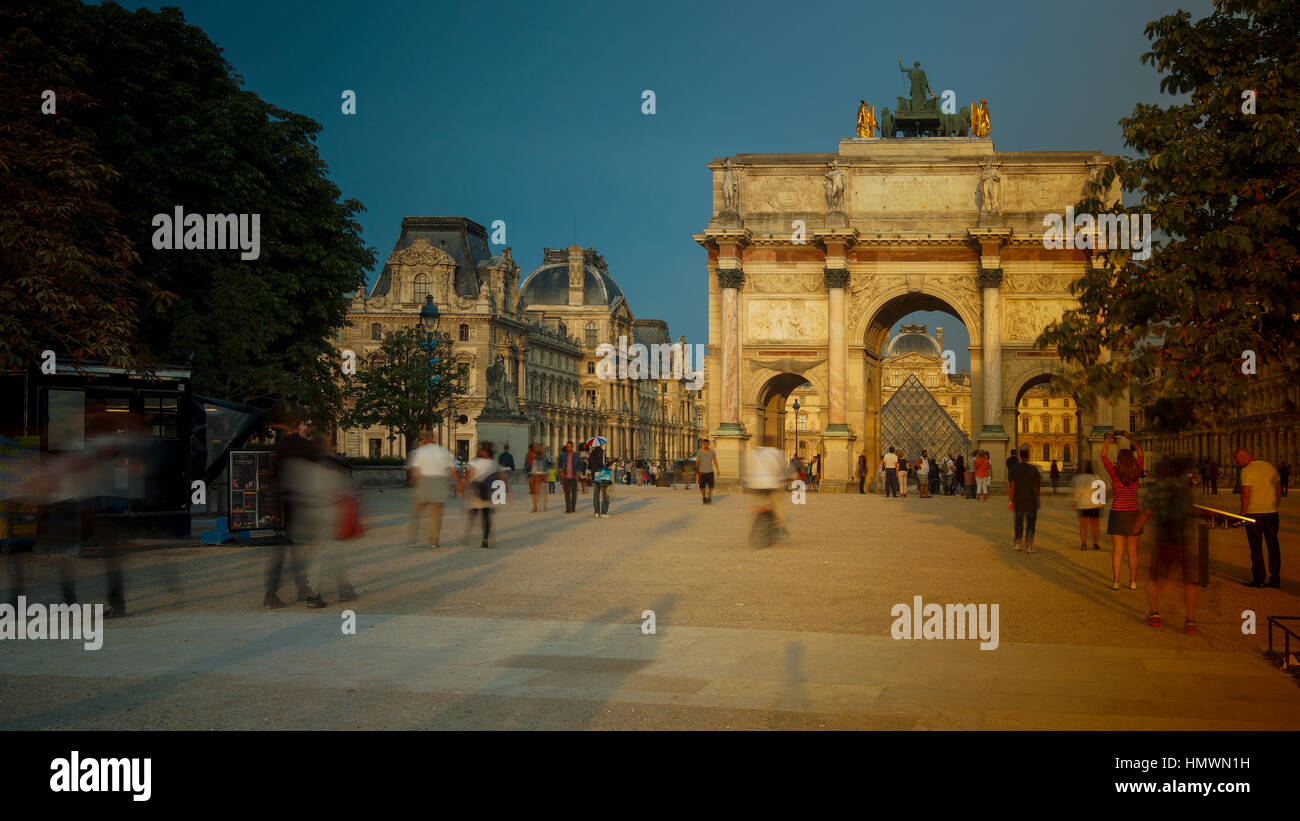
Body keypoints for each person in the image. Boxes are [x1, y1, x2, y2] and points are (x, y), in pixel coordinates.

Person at [282, 429, 357, 606]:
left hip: (308, 513)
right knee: (325, 553)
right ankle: (315, 595)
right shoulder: (331, 466)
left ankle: (343, 588)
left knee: (328, 552)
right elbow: (344, 491)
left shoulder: (301, 466)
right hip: (328, 512)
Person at [1134, 457, 1198, 633]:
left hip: (1163, 539)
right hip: (1183, 540)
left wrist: (1135, 530)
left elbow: (1146, 512)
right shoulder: (1185, 488)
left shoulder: (1156, 488)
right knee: (1188, 581)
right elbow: (1190, 511)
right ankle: (1190, 621)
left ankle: (1154, 613)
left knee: (1154, 578)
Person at [265, 405, 316, 608]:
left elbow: (274, 475)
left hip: (282, 503)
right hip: (300, 504)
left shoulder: (282, 445)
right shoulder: (304, 447)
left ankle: (272, 593)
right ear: (300, 424)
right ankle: (301, 587)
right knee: (298, 550)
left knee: (281, 550)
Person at [1101, 431, 1144, 590]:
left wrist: (1107, 440)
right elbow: (1141, 454)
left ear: (1119, 460)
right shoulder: (1136, 472)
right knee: (1133, 552)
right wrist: (1132, 439)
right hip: (1133, 513)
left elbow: (1103, 456)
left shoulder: (1115, 473)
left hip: (1118, 513)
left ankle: (1116, 581)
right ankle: (1132, 582)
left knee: (1117, 551)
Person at [1236, 447, 1281, 588]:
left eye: (1238, 461)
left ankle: (1259, 579)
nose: (1238, 464)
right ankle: (1275, 579)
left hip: (1254, 513)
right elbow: (1279, 489)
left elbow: (1245, 493)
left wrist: (1243, 513)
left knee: (1256, 548)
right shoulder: (1270, 466)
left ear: (1244, 457)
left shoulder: (1247, 470)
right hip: (1272, 513)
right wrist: (1274, 506)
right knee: (1273, 546)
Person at [406, 431, 456, 548]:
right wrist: (456, 484)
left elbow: (415, 470)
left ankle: (413, 539)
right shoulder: (444, 451)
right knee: (436, 514)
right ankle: (434, 541)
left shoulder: (418, 452)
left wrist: (417, 483)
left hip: (424, 481)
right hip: (439, 482)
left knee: (416, 513)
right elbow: (452, 470)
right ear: (434, 439)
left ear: (424, 439)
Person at [746, 446, 789, 539]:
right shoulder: (776, 453)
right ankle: (783, 527)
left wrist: (750, 482)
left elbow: (749, 470)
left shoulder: (753, 453)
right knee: (777, 507)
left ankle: (758, 518)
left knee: (758, 505)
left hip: (758, 485)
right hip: (773, 484)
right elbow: (781, 469)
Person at [1007, 444, 1041, 553]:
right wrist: (1038, 498)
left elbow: (1012, 486)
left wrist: (1010, 501)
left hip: (1019, 499)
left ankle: (1018, 543)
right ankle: (1029, 545)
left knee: (1018, 522)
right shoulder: (1033, 469)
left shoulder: (1014, 469)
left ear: (1020, 456)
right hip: (1031, 499)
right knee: (1031, 523)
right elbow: (1038, 485)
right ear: (1028, 456)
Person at [1070, 460, 1103, 551]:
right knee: (1095, 526)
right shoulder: (1096, 477)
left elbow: (1077, 493)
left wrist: (1074, 502)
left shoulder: (1080, 478)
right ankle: (1095, 544)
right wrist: (1101, 502)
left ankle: (1084, 544)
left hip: (1083, 505)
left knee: (1083, 527)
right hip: (1095, 505)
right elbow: (1101, 492)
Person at [559, 441, 580, 513]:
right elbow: (559, 465)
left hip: (574, 476)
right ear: (566, 447)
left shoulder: (576, 455)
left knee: (574, 493)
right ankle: (568, 508)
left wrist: (578, 472)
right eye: (568, 446)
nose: (569, 448)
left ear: (572, 447)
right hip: (566, 476)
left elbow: (579, 465)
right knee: (567, 494)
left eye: (570, 446)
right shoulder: (562, 455)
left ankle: (573, 507)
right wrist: (561, 471)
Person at [527, 443, 548, 512]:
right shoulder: (533, 457)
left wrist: (545, 476)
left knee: (538, 492)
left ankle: (542, 506)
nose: (537, 449)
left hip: (540, 476)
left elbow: (545, 468)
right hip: (534, 475)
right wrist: (530, 476)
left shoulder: (543, 458)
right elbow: (530, 466)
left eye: (539, 448)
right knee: (534, 492)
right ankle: (535, 506)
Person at [695, 439, 717, 504]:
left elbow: (715, 461)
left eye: (706, 444)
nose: (705, 445)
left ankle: (709, 497)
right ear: (703, 444)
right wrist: (697, 470)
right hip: (702, 472)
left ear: (708, 444)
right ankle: (704, 497)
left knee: (711, 487)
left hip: (710, 471)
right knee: (702, 487)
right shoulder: (699, 452)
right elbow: (697, 462)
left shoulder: (712, 452)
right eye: (704, 444)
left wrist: (717, 469)